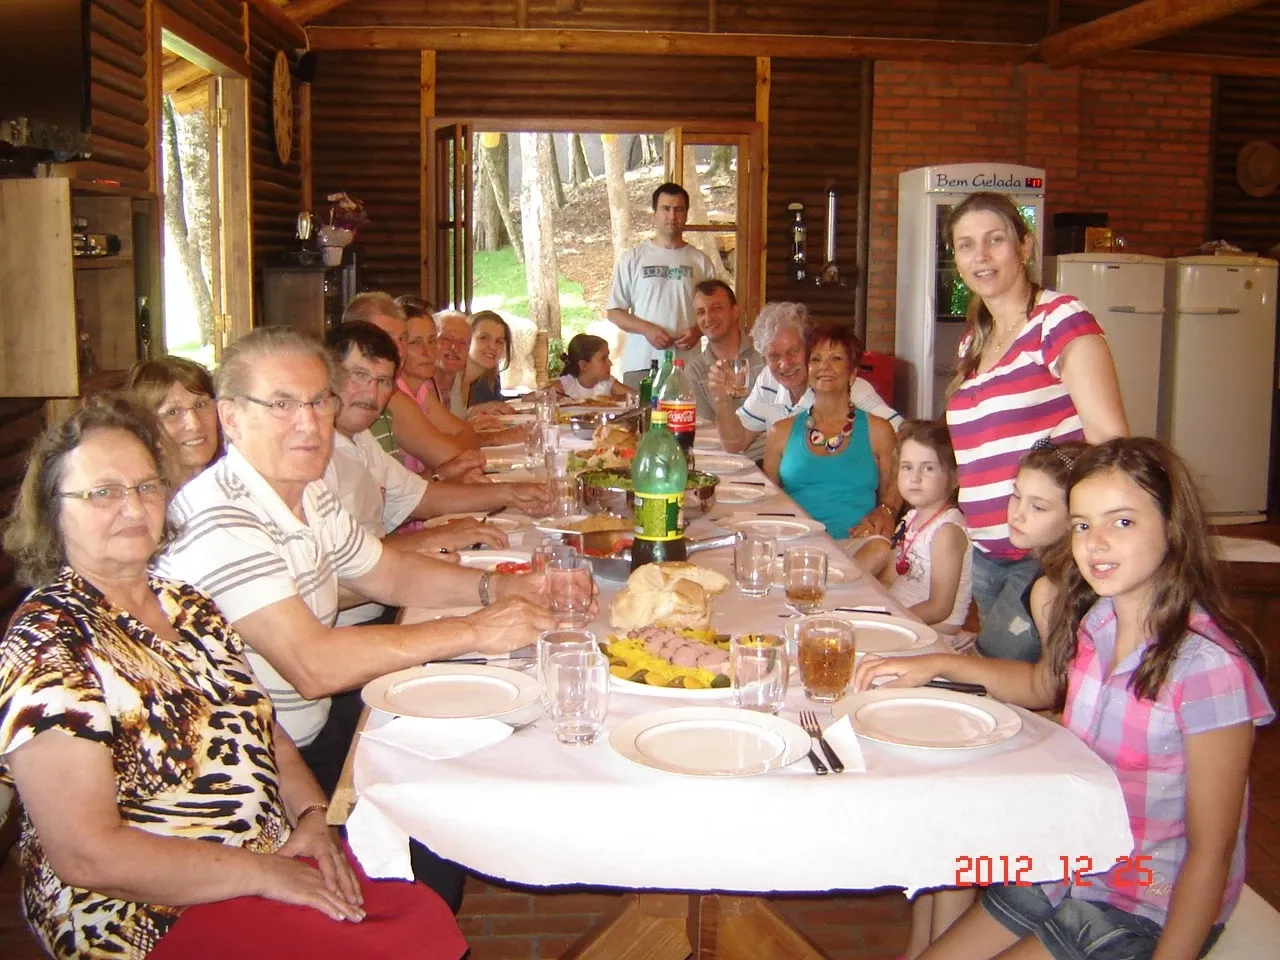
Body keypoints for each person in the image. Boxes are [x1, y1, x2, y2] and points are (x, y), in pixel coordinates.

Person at [0, 395, 466, 960]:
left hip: (266, 857)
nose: (132, 506)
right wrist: (263, 874)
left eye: (147, 486)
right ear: (54, 509)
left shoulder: (187, 605)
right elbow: (86, 855)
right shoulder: (50, 640)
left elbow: (264, 727)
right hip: (145, 909)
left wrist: (312, 816)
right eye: (103, 492)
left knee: (423, 898)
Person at [858, 438, 1274, 960]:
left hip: (1143, 899)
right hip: (1070, 862)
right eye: (1082, 525)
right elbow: (1042, 684)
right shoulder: (1100, 621)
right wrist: (939, 665)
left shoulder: (1207, 669)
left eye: (1122, 522)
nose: (1095, 543)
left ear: (1172, 527)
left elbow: (1211, 852)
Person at [943, 192, 1128, 665]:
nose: (981, 256)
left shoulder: (1059, 319)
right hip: (987, 552)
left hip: (1045, 554)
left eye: (995, 240)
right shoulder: (974, 339)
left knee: (1005, 676)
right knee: (1015, 685)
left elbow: (1110, 443)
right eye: (966, 245)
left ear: (1024, 247)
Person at [324, 320, 548, 596]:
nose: (371, 394)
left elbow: (422, 497)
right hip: (363, 611)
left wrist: (511, 493)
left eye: (382, 381)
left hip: (388, 590)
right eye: (358, 375)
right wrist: (427, 539)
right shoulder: (315, 454)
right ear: (327, 375)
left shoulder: (359, 438)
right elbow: (334, 567)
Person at [710, 302, 901, 470]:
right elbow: (735, 443)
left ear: (810, 347)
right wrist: (722, 401)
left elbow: (903, 436)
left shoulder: (844, 386)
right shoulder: (768, 380)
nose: (784, 364)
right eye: (774, 356)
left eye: (793, 352)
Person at [763, 323, 900, 545]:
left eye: (835, 358)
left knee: (880, 550)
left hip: (856, 546)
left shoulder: (879, 431)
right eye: (816, 359)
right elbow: (768, 503)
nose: (824, 367)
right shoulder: (780, 432)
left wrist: (886, 511)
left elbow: (890, 494)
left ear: (852, 373)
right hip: (796, 545)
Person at [341, 293, 484, 481]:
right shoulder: (391, 399)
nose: (399, 350)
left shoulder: (400, 392)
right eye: (385, 338)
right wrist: (439, 470)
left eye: (402, 338)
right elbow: (453, 457)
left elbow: (404, 491)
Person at [980, 439, 1089, 662]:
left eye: (1038, 507)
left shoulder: (1051, 590)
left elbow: (1051, 680)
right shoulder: (1044, 567)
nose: (1017, 514)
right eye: (1016, 496)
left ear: (1075, 517)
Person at [607, 182, 718, 388]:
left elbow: (718, 311)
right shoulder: (633, 259)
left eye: (679, 209)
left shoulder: (700, 262)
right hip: (642, 364)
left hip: (687, 365)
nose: (672, 216)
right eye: (666, 209)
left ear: (686, 214)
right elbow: (614, 312)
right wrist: (647, 329)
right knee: (641, 410)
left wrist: (698, 330)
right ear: (655, 214)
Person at [869, 420, 972, 636]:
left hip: (931, 632)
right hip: (902, 617)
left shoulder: (947, 531)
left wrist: (891, 620)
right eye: (907, 467)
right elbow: (889, 578)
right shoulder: (910, 519)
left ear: (955, 478)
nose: (914, 478)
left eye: (928, 468)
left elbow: (939, 608)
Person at [397, 306, 524, 453]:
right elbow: (436, 447)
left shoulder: (423, 390)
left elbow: (458, 432)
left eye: (431, 341)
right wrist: (496, 437)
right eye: (415, 342)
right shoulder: (400, 394)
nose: (427, 351)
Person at [126, 356, 221, 487]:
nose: (195, 424)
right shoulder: (148, 497)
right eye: (172, 412)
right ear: (146, 426)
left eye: (200, 405)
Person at [684, 280, 763, 426]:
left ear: (735, 312)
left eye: (716, 308)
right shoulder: (695, 372)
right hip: (718, 441)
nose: (708, 318)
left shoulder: (764, 354)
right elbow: (704, 429)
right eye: (701, 312)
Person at [554, 334, 635, 402]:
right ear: (584, 365)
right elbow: (547, 395)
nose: (610, 363)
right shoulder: (567, 384)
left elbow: (635, 397)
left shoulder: (607, 383)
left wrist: (614, 399)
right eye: (603, 359)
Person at [460, 310, 514, 408]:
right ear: (466, 339)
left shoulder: (489, 379)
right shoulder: (447, 379)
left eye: (499, 341)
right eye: (484, 338)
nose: (492, 346)